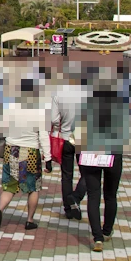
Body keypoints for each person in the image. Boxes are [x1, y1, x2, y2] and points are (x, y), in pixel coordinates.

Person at [0, 67, 51, 232]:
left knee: (9, 186)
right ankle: (29, 220)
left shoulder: (10, 107)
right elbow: (44, 135)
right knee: (33, 187)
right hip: (30, 151)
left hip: (11, 149)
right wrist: (48, 157)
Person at [79, 73, 129, 252]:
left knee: (93, 196)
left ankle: (97, 237)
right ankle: (107, 230)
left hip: (91, 154)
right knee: (110, 195)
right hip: (113, 153)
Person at [51, 64, 91, 218]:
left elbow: (54, 119)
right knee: (88, 172)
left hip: (66, 139)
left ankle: (68, 208)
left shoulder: (58, 94)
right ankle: (77, 196)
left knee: (66, 175)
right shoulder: (88, 93)